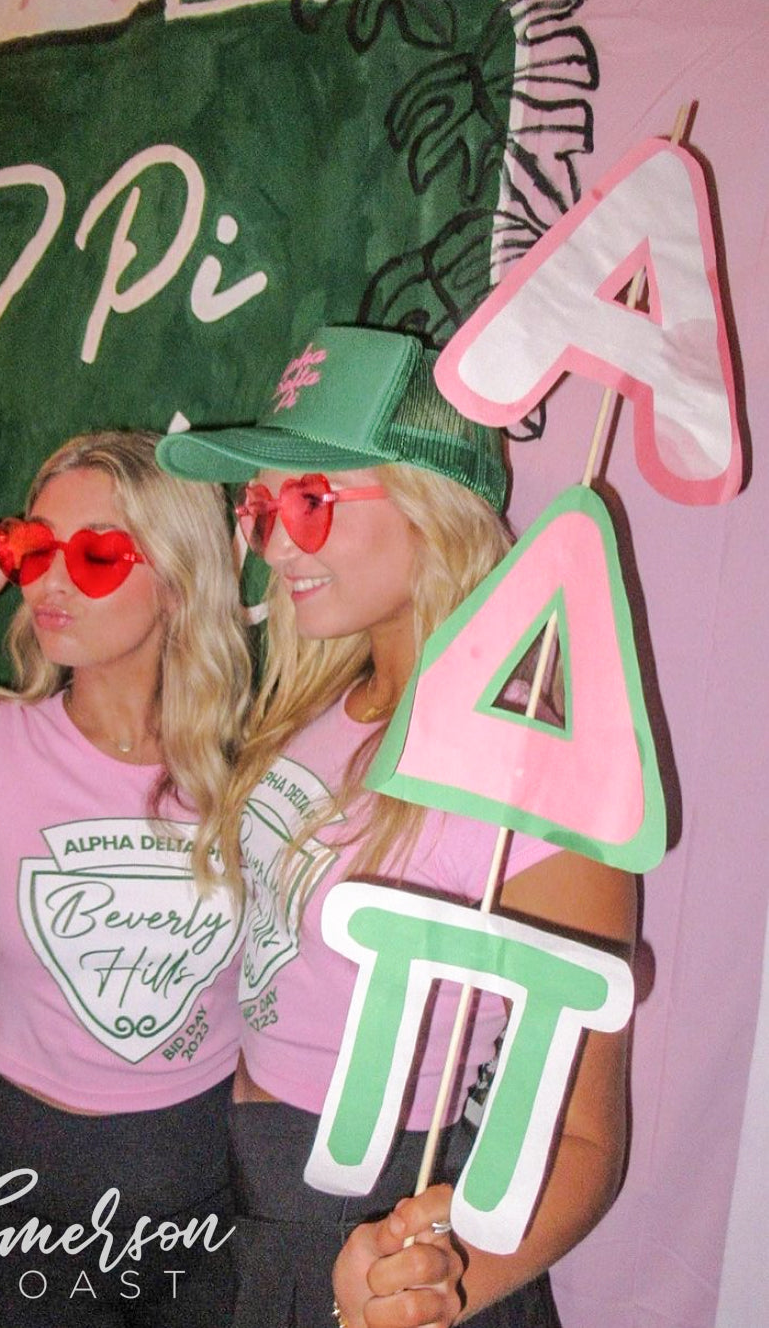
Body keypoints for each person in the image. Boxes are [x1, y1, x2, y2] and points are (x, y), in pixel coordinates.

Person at [157, 326, 637, 1327]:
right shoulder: (325, 706)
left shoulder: (529, 766)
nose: (272, 544)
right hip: (261, 1198)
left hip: (393, 1229)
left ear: (432, 506)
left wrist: (443, 1284)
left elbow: (585, 1136)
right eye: (261, 508)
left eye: (310, 501)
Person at [0, 430, 251, 1327]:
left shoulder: (261, 765)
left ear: (178, 576)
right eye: (34, 550)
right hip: (27, 1180)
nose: (51, 583)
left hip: (212, 1178)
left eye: (97, 555)